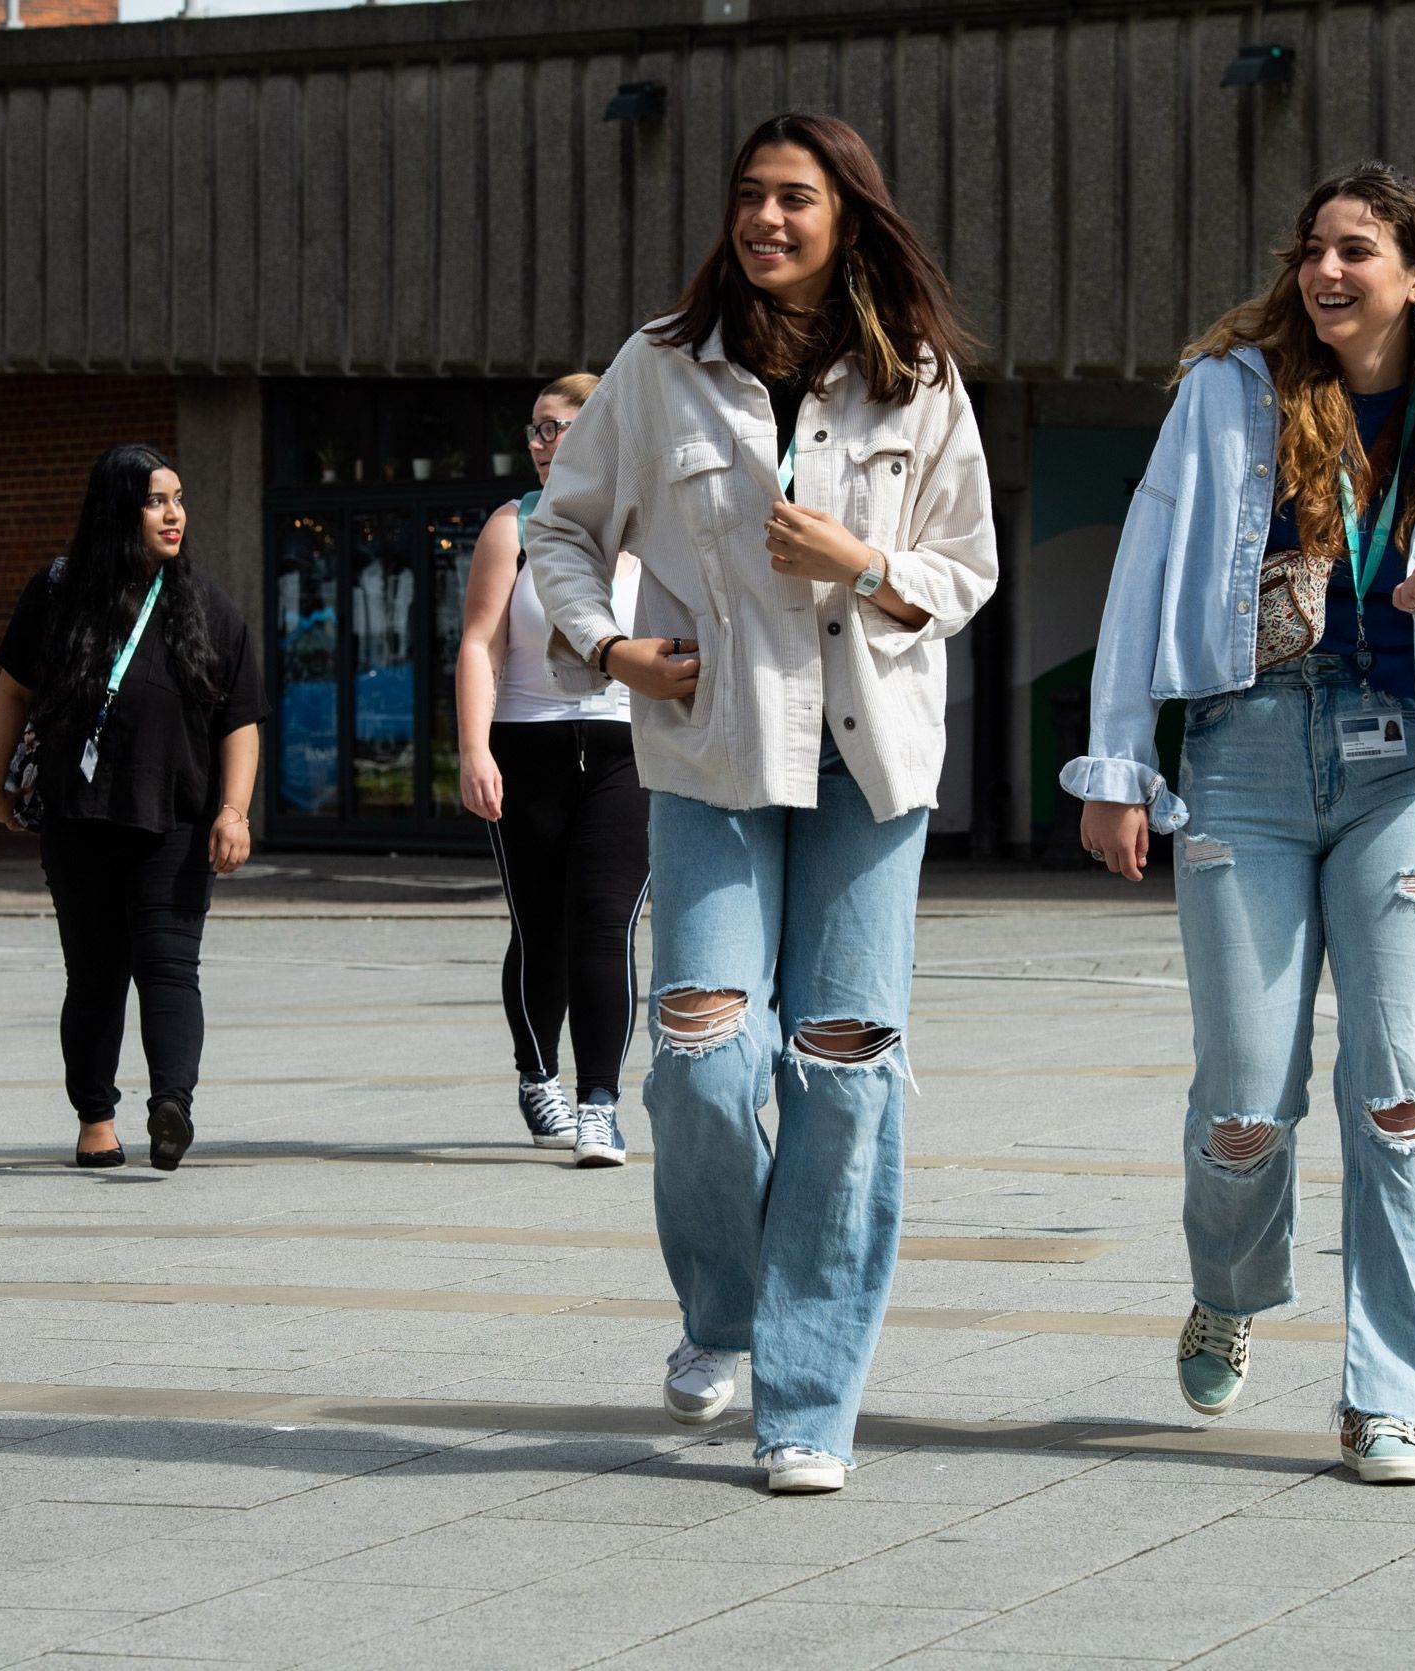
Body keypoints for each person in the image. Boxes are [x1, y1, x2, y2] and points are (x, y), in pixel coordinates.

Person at [1063, 162, 1415, 1484]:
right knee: (1244, 1101)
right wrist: (1116, 762)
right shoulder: (1224, 400)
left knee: (1402, 1096)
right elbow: (1140, 577)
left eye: (1356, 250)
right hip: (1242, 760)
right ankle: (1230, 1281)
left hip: (1409, 771)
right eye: (1311, 251)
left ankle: (1391, 1394)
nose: (1325, 272)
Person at [526, 112, 996, 1494]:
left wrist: (862, 562)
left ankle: (808, 1395)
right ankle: (720, 1308)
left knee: (844, 1076)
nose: (766, 219)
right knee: (703, 1055)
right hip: (714, 751)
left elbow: (959, 573)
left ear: (848, 216)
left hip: (870, 761)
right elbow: (565, 525)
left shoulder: (916, 380)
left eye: (796, 198)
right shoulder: (662, 365)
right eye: (749, 197)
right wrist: (606, 649)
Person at [0, 443, 266, 1172]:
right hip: (79, 818)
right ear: (117, 511)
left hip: (175, 818)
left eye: (178, 499)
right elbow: (13, 689)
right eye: (155, 501)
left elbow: (240, 719)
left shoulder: (203, 604)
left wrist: (234, 810)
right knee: (95, 971)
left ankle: (173, 1106)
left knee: (170, 967)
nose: (174, 515)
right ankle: (95, 1119)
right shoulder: (56, 594)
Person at [454, 375, 650, 1166]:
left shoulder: (652, 528)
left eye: (559, 427)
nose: (542, 443)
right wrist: (473, 750)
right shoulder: (514, 526)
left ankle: (600, 1099)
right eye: (536, 430)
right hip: (526, 743)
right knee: (542, 926)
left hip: (625, 747)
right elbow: (479, 643)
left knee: (607, 922)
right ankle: (539, 1072)